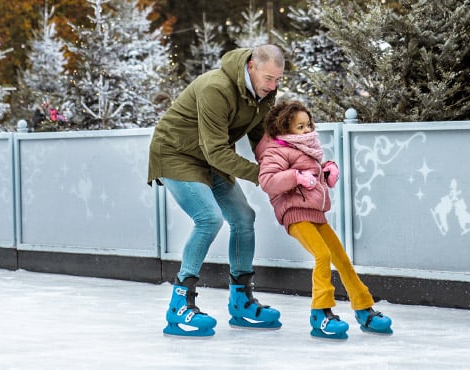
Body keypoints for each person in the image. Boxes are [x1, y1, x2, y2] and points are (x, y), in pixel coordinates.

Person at [147, 44, 285, 337]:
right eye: (268, 78)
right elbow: (217, 152)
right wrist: (262, 176)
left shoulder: (263, 93)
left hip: (211, 155)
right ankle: (180, 305)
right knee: (209, 218)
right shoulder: (216, 87)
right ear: (251, 66)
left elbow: (260, 138)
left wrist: (278, 169)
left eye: (277, 80)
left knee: (244, 217)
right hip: (177, 153)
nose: (272, 86)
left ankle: (241, 302)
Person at [254, 101, 393, 340]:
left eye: (308, 125)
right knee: (322, 255)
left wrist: (327, 169)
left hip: (315, 213)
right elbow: (268, 180)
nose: (307, 130)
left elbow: (314, 171)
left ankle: (363, 308)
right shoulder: (275, 150)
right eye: (300, 127)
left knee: (341, 258)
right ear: (284, 129)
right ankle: (321, 313)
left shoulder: (307, 148)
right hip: (295, 213)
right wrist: (296, 178)